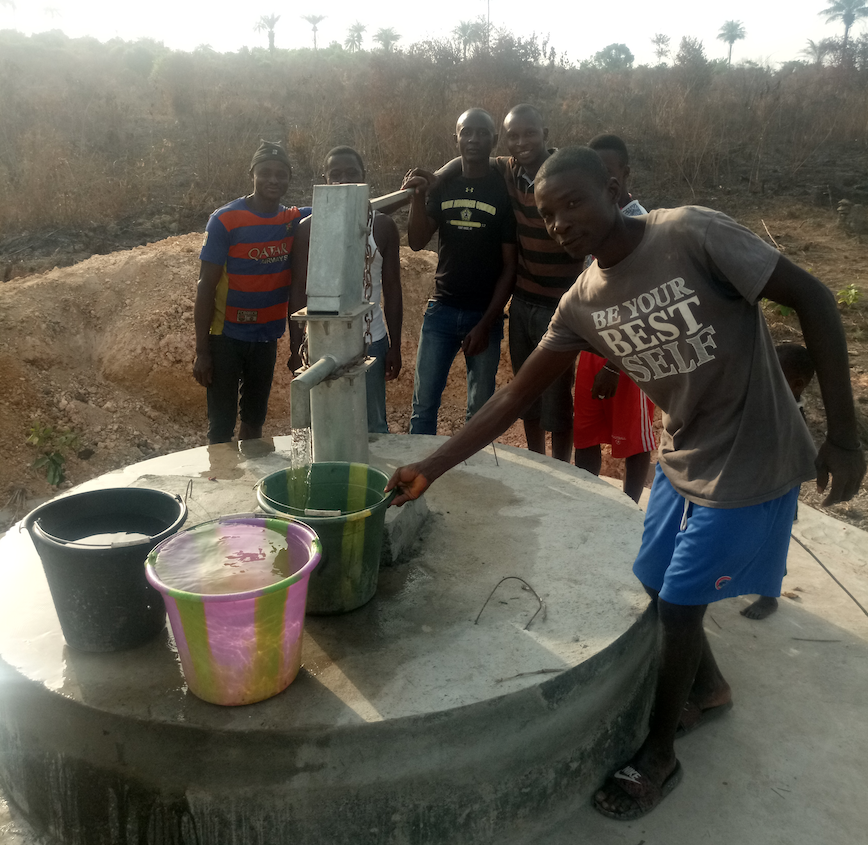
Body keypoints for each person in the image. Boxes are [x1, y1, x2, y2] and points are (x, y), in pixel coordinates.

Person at [386, 147, 865, 821]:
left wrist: (845, 433)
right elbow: (511, 399)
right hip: (685, 451)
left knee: (678, 602)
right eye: (548, 215)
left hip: (755, 454)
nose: (560, 223)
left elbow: (813, 296)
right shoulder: (582, 302)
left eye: (574, 203)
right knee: (651, 579)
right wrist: (430, 467)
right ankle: (711, 686)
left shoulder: (691, 232)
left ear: (615, 187)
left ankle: (660, 754)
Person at [433, 104, 585, 461]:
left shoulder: (565, 172)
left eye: (530, 133)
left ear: (545, 133)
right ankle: (536, 460)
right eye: (514, 136)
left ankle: (561, 465)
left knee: (559, 395)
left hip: (561, 304)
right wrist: (438, 176)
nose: (522, 142)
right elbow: (466, 161)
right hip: (522, 301)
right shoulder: (509, 169)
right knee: (525, 389)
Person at [401, 108, 517, 435]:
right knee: (423, 408)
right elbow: (417, 240)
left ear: (494, 140)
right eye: (467, 132)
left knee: (479, 416)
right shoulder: (445, 186)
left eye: (482, 133)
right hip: (440, 311)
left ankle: (471, 478)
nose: (474, 139)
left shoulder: (502, 191)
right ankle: (419, 482)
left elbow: (510, 268)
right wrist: (418, 198)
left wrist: (486, 323)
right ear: (456, 139)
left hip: (484, 318)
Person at [193, 140, 310, 444]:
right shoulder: (225, 219)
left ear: (289, 178)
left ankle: (245, 486)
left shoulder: (293, 221)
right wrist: (202, 351)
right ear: (252, 174)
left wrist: (410, 194)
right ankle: (218, 486)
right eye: (266, 173)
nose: (273, 180)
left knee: (254, 423)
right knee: (221, 426)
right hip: (226, 338)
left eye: (281, 174)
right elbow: (205, 285)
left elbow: (347, 206)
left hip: (265, 340)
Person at [290, 146, 403, 433]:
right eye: (335, 174)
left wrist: (395, 346)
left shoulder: (383, 227)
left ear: (364, 177)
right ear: (325, 179)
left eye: (351, 173)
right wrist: (295, 344)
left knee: (373, 422)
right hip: (321, 341)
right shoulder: (307, 229)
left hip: (371, 338)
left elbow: (392, 290)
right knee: (325, 422)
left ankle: (380, 477)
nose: (342, 181)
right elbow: (299, 291)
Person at [573, 134, 654, 503]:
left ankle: (631, 508)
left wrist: (615, 365)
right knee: (586, 432)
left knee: (634, 438)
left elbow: (643, 305)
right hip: (593, 343)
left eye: (610, 172)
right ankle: (590, 505)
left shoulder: (643, 226)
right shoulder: (592, 222)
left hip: (631, 353)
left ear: (625, 173)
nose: (605, 181)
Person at [741, 342, 816, 621]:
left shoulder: (793, 416)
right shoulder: (771, 400)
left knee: (773, 542)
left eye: (775, 372)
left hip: (778, 492)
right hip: (755, 485)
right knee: (750, 538)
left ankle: (769, 596)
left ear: (797, 384)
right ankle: (749, 578)